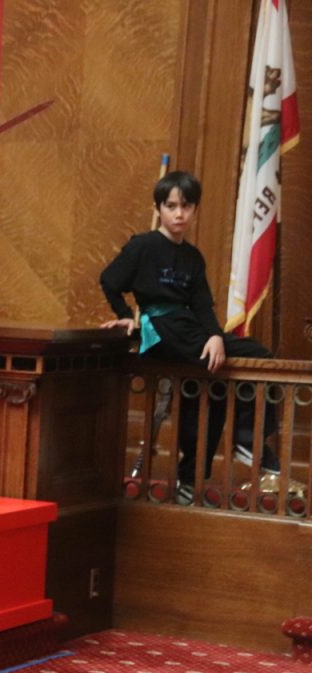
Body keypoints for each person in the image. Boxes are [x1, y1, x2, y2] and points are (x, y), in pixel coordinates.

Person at [100, 171, 278, 503]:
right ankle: (238, 444)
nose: (178, 214)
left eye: (186, 206)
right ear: (159, 209)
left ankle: (229, 448)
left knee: (253, 358)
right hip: (159, 329)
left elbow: (202, 305)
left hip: (188, 327)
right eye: (171, 206)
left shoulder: (193, 257)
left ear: (195, 210)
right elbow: (109, 279)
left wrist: (214, 336)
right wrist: (124, 316)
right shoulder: (143, 245)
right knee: (215, 375)